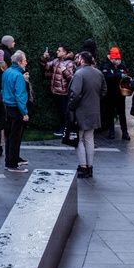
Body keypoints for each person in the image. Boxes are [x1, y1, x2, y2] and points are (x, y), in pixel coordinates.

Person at [68, 51, 107, 179]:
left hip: (80, 111)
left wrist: (71, 107)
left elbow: (75, 94)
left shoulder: (79, 74)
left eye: (79, 58)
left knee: (78, 140)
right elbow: (104, 91)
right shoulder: (98, 73)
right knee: (89, 139)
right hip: (94, 110)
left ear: (82, 60)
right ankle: (89, 167)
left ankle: (83, 166)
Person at [2, 51, 29, 172]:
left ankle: (9, 161)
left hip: (7, 108)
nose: (26, 62)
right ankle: (12, 164)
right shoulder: (18, 75)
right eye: (24, 60)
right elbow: (20, 95)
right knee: (15, 138)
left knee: (9, 137)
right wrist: (24, 112)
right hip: (16, 109)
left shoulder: (7, 72)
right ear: (19, 62)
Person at [41, 45, 75, 133]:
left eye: (59, 50)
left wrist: (64, 70)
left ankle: (65, 129)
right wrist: (45, 59)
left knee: (64, 112)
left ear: (64, 52)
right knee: (60, 111)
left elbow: (72, 78)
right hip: (55, 91)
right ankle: (62, 128)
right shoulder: (56, 61)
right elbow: (46, 67)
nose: (57, 52)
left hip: (64, 93)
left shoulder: (70, 63)